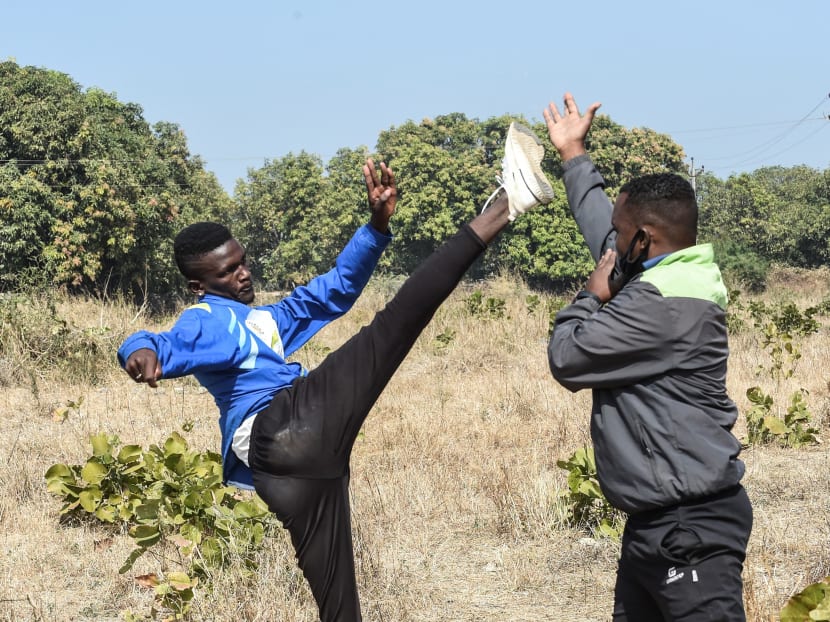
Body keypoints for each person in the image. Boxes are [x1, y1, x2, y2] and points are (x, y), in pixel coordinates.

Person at [117, 123, 555, 622]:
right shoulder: (209, 318)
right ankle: (507, 203)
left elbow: (335, 290)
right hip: (281, 426)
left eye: (242, 262)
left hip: (293, 473)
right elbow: (169, 342)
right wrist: (140, 350)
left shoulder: (264, 319)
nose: (242, 274)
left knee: (339, 605)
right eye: (226, 272)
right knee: (393, 326)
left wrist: (375, 227)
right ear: (199, 284)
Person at [544, 93, 752, 621]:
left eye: (620, 232)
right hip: (655, 524)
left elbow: (567, 357)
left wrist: (589, 298)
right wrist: (573, 154)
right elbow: (604, 229)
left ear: (644, 239)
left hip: (689, 528)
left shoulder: (661, 303)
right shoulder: (669, 271)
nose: (609, 240)